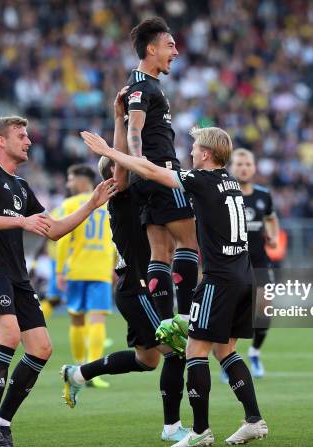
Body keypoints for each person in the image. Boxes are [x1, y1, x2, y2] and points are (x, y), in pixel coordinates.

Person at [81, 126, 268, 446]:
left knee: (194, 352)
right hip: (244, 278)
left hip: (219, 281)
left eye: (195, 148)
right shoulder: (232, 183)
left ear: (207, 154)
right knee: (226, 351)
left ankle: (200, 432)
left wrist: (109, 152)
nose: (191, 153)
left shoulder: (203, 180)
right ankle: (253, 419)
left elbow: (153, 171)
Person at [0, 115, 115, 447]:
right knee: (9, 336)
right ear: (1, 141)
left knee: (42, 348)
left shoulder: (21, 187)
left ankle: (2, 423)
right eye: (21, 135)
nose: (29, 141)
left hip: (17, 276)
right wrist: (21, 221)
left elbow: (55, 230)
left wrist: (92, 203)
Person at [61, 89, 189, 442]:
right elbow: (124, 163)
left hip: (133, 288)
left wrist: (121, 119)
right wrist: (120, 122)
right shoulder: (123, 195)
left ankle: (78, 374)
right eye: (123, 166)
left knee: (148, 360)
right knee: (176, 349)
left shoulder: (137, 196)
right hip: (138, 288)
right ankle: (172, 429)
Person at [124, 17, 199, 325]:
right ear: (151, 49)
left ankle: (166, 323)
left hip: (145, 177)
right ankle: (186, 318)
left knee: (161, 251)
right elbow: (135, 130)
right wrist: (140, 161)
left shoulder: (147, 85)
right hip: (160, 172)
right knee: (190, 242)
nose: (176, 52)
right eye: (170, 45)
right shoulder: (141, 87)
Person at [55, 164, 115, 388]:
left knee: (77, 319)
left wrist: (60, 270)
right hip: (101, 270)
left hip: (77, 270)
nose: (69, 183)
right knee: (98, 319)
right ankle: (93, 372)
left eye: (71, 179)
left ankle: (79, 367)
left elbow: (62, 240)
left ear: (82, 180)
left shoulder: (69, 205)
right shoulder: (108, 204)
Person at [230, 148, 279, 379]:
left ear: (254, 167)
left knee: (265, 308)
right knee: (231, 312)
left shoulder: (263, 195)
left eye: (247, 164)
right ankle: (229, 359)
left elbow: (271, 217)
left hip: (259, 261)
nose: (243, 168)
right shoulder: (226, 194)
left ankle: (255, 352)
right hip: (231, 262)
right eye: (239, 164)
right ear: (231, 167)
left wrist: (274, 235)